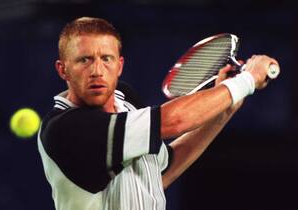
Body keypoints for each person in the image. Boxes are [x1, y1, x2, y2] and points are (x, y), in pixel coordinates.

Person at [37, 17, 279, 210]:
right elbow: (174, 120)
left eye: (106, 59)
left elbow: (162, 171)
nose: (97, 71)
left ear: (120, 65)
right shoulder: (64, 129)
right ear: (63, 70)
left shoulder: (126, 101)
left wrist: (225, 110)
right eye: (84, 60)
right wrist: (247, 80)